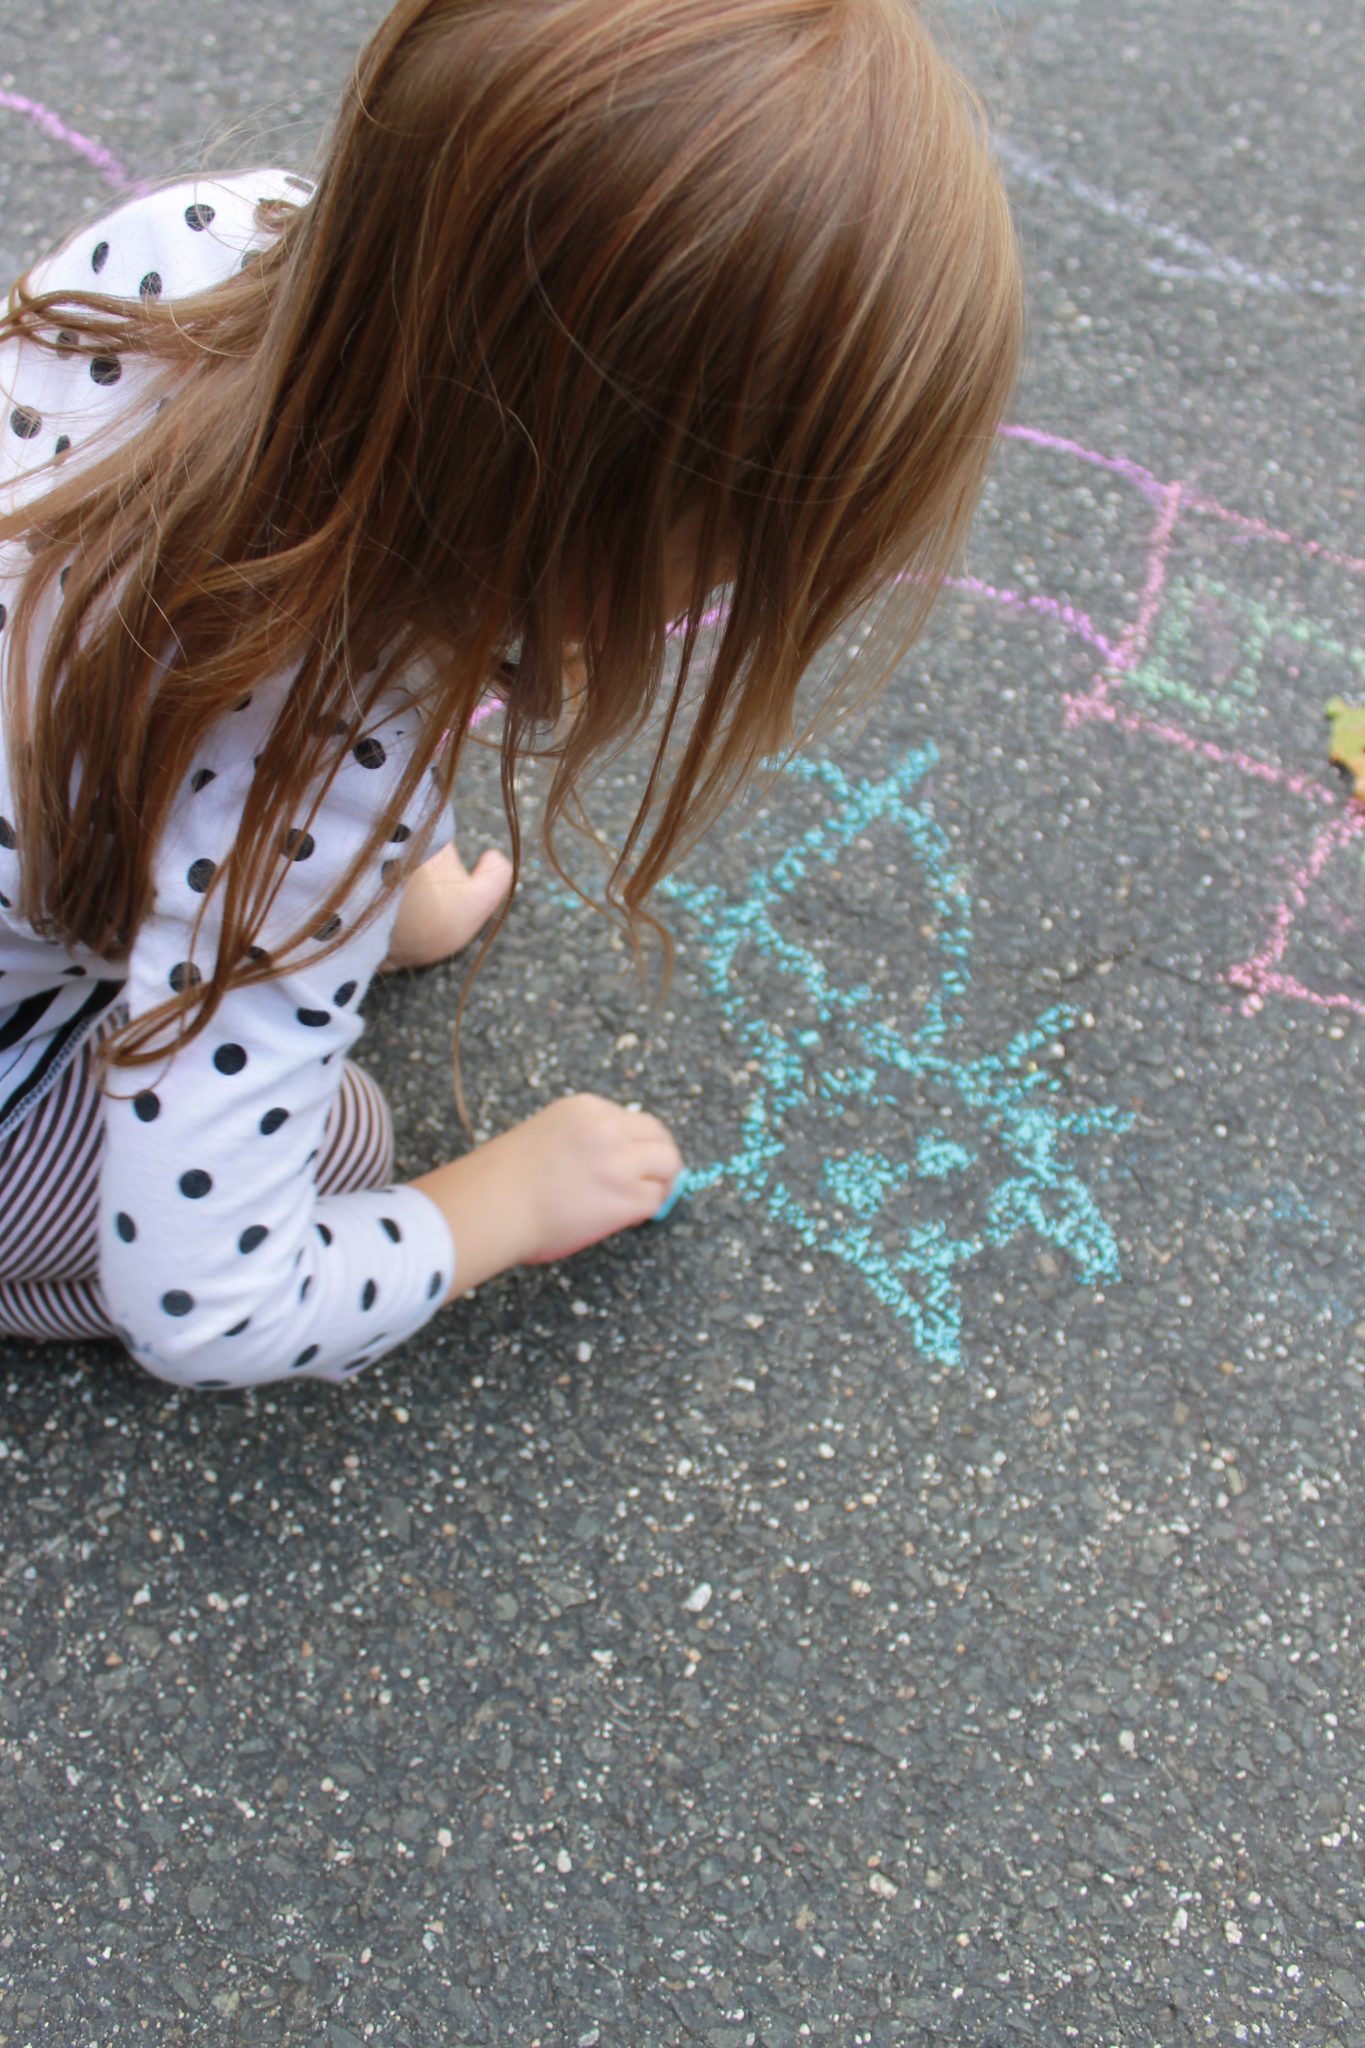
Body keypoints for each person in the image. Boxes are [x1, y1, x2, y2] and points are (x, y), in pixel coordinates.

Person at [0, 0, 1022, 1389]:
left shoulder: (219, 241)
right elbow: (212, 1309)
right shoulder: (308, 754)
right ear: (587, 530)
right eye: (726, 562)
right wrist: (496, 1203)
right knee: (345, 1144)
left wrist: (382, 891)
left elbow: (301, 591)